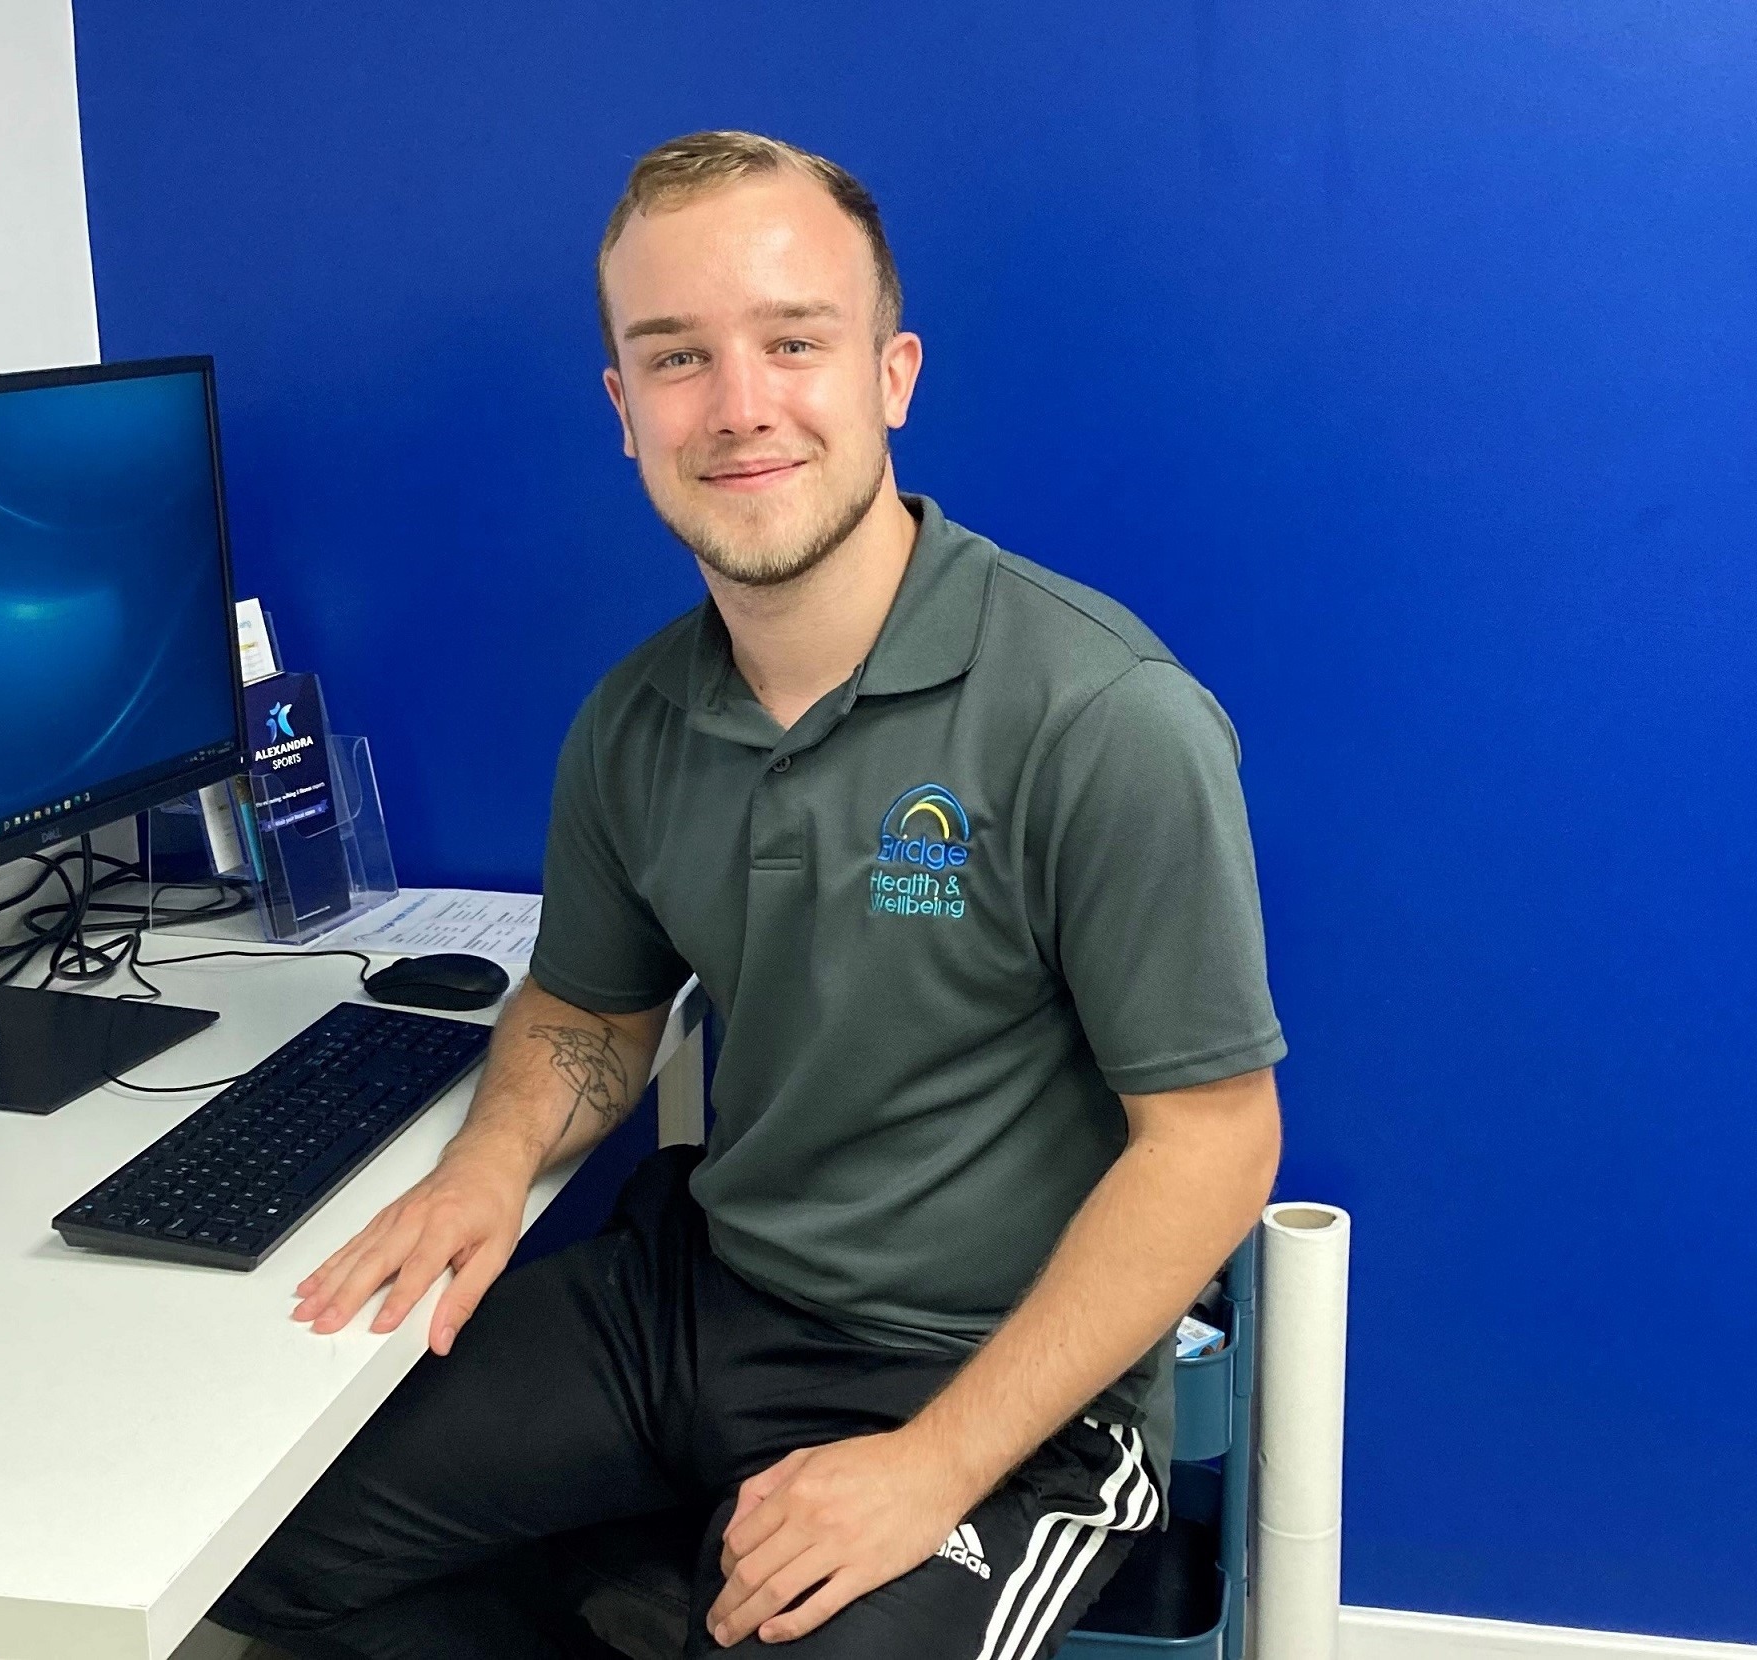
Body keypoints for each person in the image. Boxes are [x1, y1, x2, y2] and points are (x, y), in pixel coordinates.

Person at [212, 130, 1285, 1660]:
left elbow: (1214, 1140)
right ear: (622, 412)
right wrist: (485, 1165)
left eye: (794, 341)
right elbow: (588, 1008)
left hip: (979, 1378)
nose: (738, 406)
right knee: (252, 1544)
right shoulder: (637, 720)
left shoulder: (1097, 713)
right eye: (675, 357)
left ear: (890, 374)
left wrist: (933, 1466)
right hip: (702, 1299)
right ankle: (670, 1585)